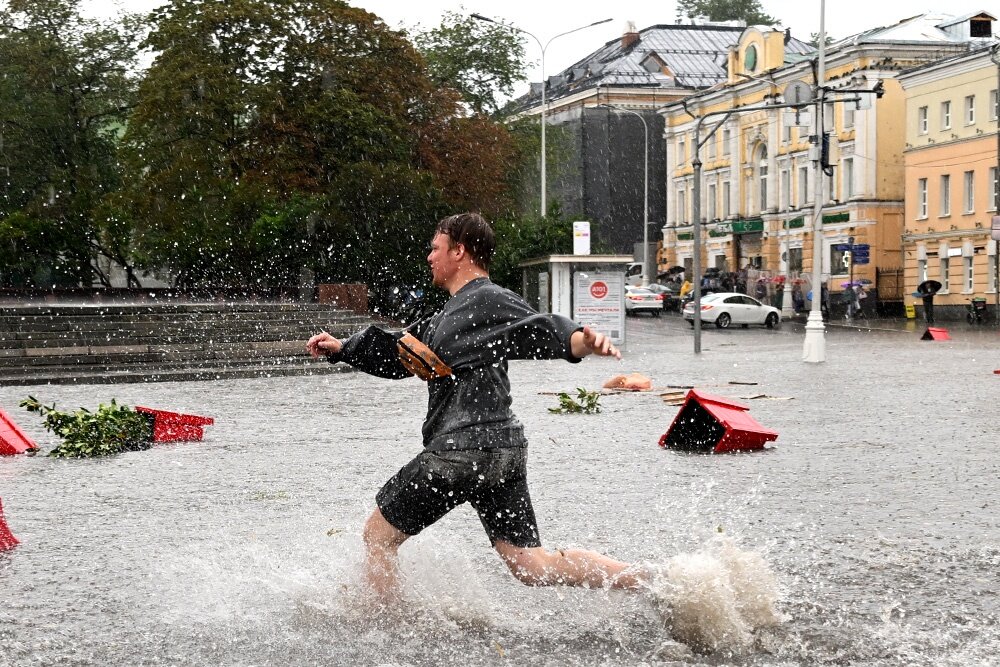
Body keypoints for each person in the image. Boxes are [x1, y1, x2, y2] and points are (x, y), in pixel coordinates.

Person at [306, 213, 646, 602]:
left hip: (460, 453)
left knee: (377, 536)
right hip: (502, 454)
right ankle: (647, 579)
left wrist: (580, 342)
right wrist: (342, 348)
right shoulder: (445, 317)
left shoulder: (488, 298)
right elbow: (397, 351)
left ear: (460, 251)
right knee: (530, 565)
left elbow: (541, 326)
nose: (429, 257)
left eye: (436, 249)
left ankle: (388, 630)